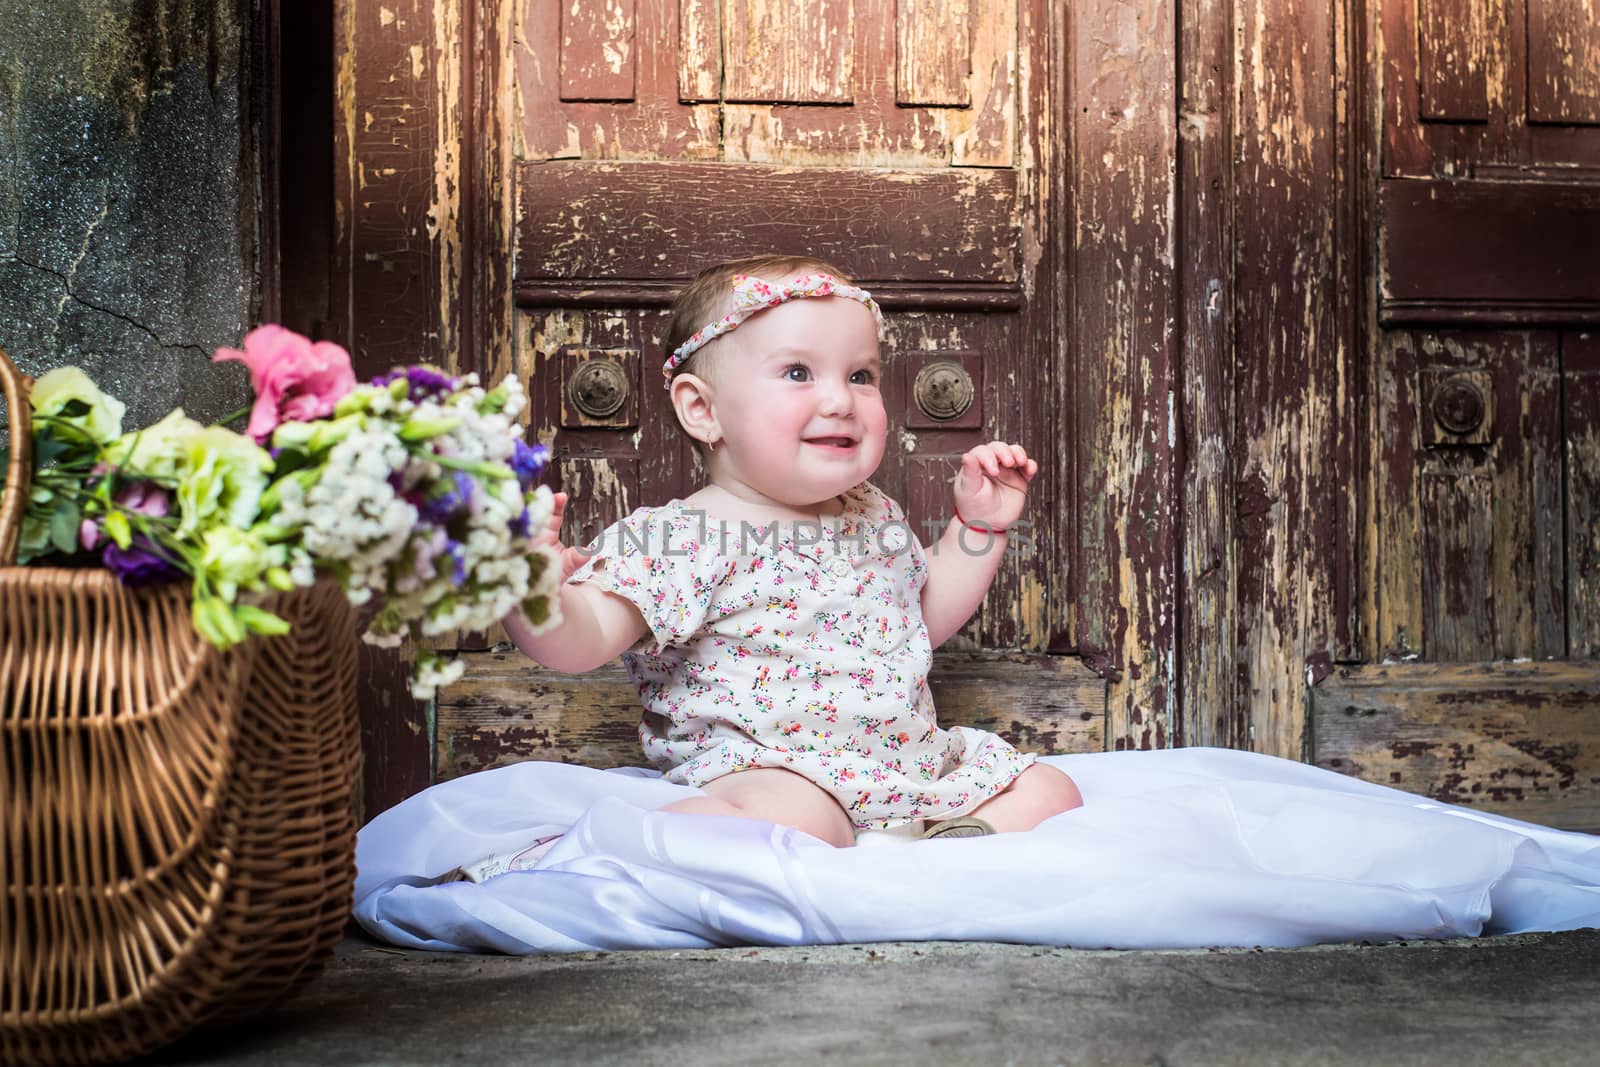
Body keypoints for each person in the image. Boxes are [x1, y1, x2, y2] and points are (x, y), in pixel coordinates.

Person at [499, 254, 1082, 859]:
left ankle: (955, 843)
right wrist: (535, 595)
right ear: (703, 409)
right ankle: (636, 844)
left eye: (861, 376)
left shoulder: (872, 516)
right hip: (769, 770)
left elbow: (920, 618)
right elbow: (585, 636)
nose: (841, 400)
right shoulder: (682, 537)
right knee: (798, 819)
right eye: (799, 373)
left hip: (904, 766)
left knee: (1048, 789)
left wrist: (977, 527)